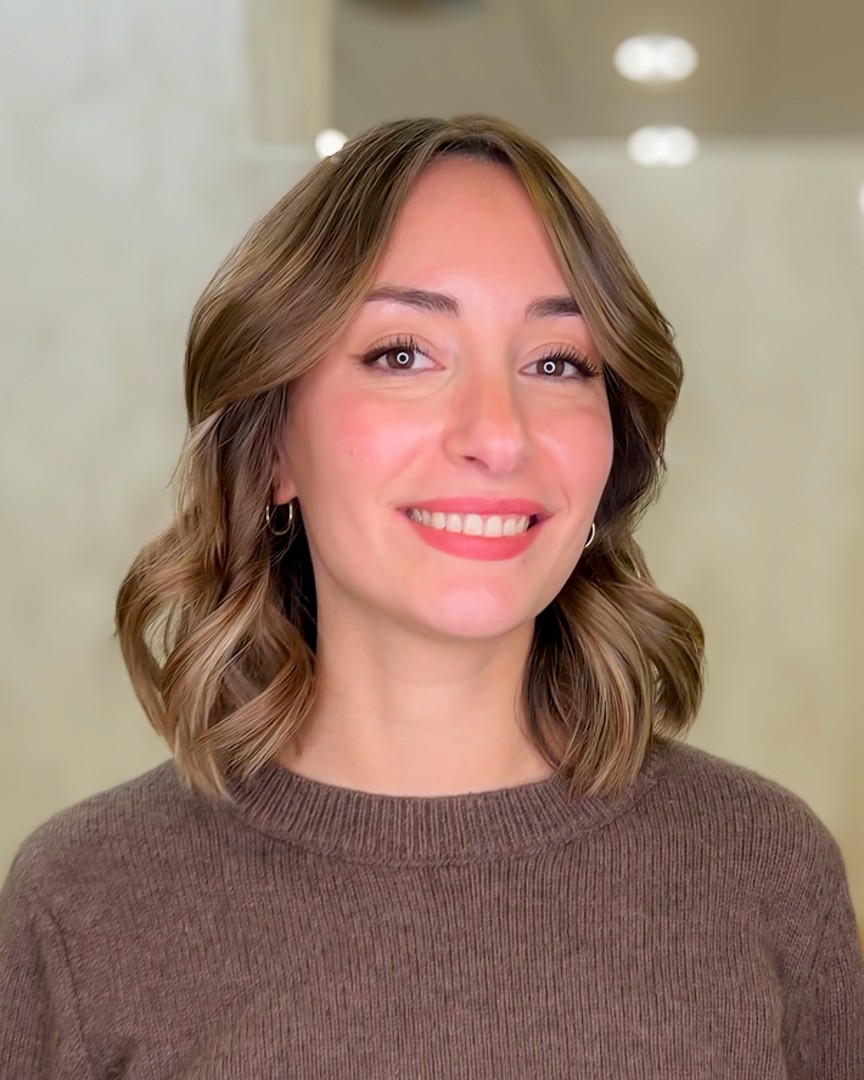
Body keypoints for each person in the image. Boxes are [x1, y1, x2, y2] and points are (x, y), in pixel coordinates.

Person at [1, 114, 862, 1078]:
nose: (498, 433)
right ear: (276, 443)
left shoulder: (765, 873)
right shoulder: (85, 907)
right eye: (403, 353)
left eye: (557, 363)